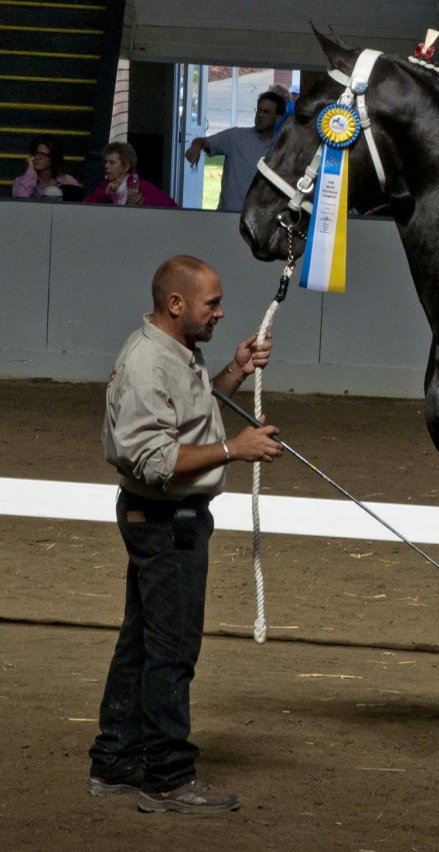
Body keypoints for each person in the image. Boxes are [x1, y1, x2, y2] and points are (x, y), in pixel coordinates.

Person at [87, 255, 283, 813]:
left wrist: (236, 371)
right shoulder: (147, 365)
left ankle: (116, 761)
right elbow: (155, 460)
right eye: (211, 304)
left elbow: (191, 416)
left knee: (142, 643)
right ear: (176, 304)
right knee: (171, 651)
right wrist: (234, 449)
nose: (220, 312)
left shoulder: (175, 351)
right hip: (165, 523)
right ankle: (168, 777)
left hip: (163, 520)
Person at [184, 91, 284, 212]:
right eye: (259, 110)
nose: (260, 115)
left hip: (259, 218)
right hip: (228, 215)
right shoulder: (236, 137)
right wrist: (195, 147)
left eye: (266, 112)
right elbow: (203, 142)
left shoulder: (281, 148)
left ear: (277, 118)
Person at [83, 142, 177, 207]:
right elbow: (84, 207)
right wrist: (105, 194)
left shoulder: (142, 186)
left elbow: (172, 207)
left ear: (126, 166)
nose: (106, 166)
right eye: (106, 162)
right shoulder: (104, 187)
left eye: (112, 162)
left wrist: (143, 202)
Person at [11, 134, 81, 199]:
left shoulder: (68, 181)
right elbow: (19, 202)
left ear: (54, 158)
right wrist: (30, 170)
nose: (37, 157)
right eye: (36, 153)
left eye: (42, 154)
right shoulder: (20, 181)